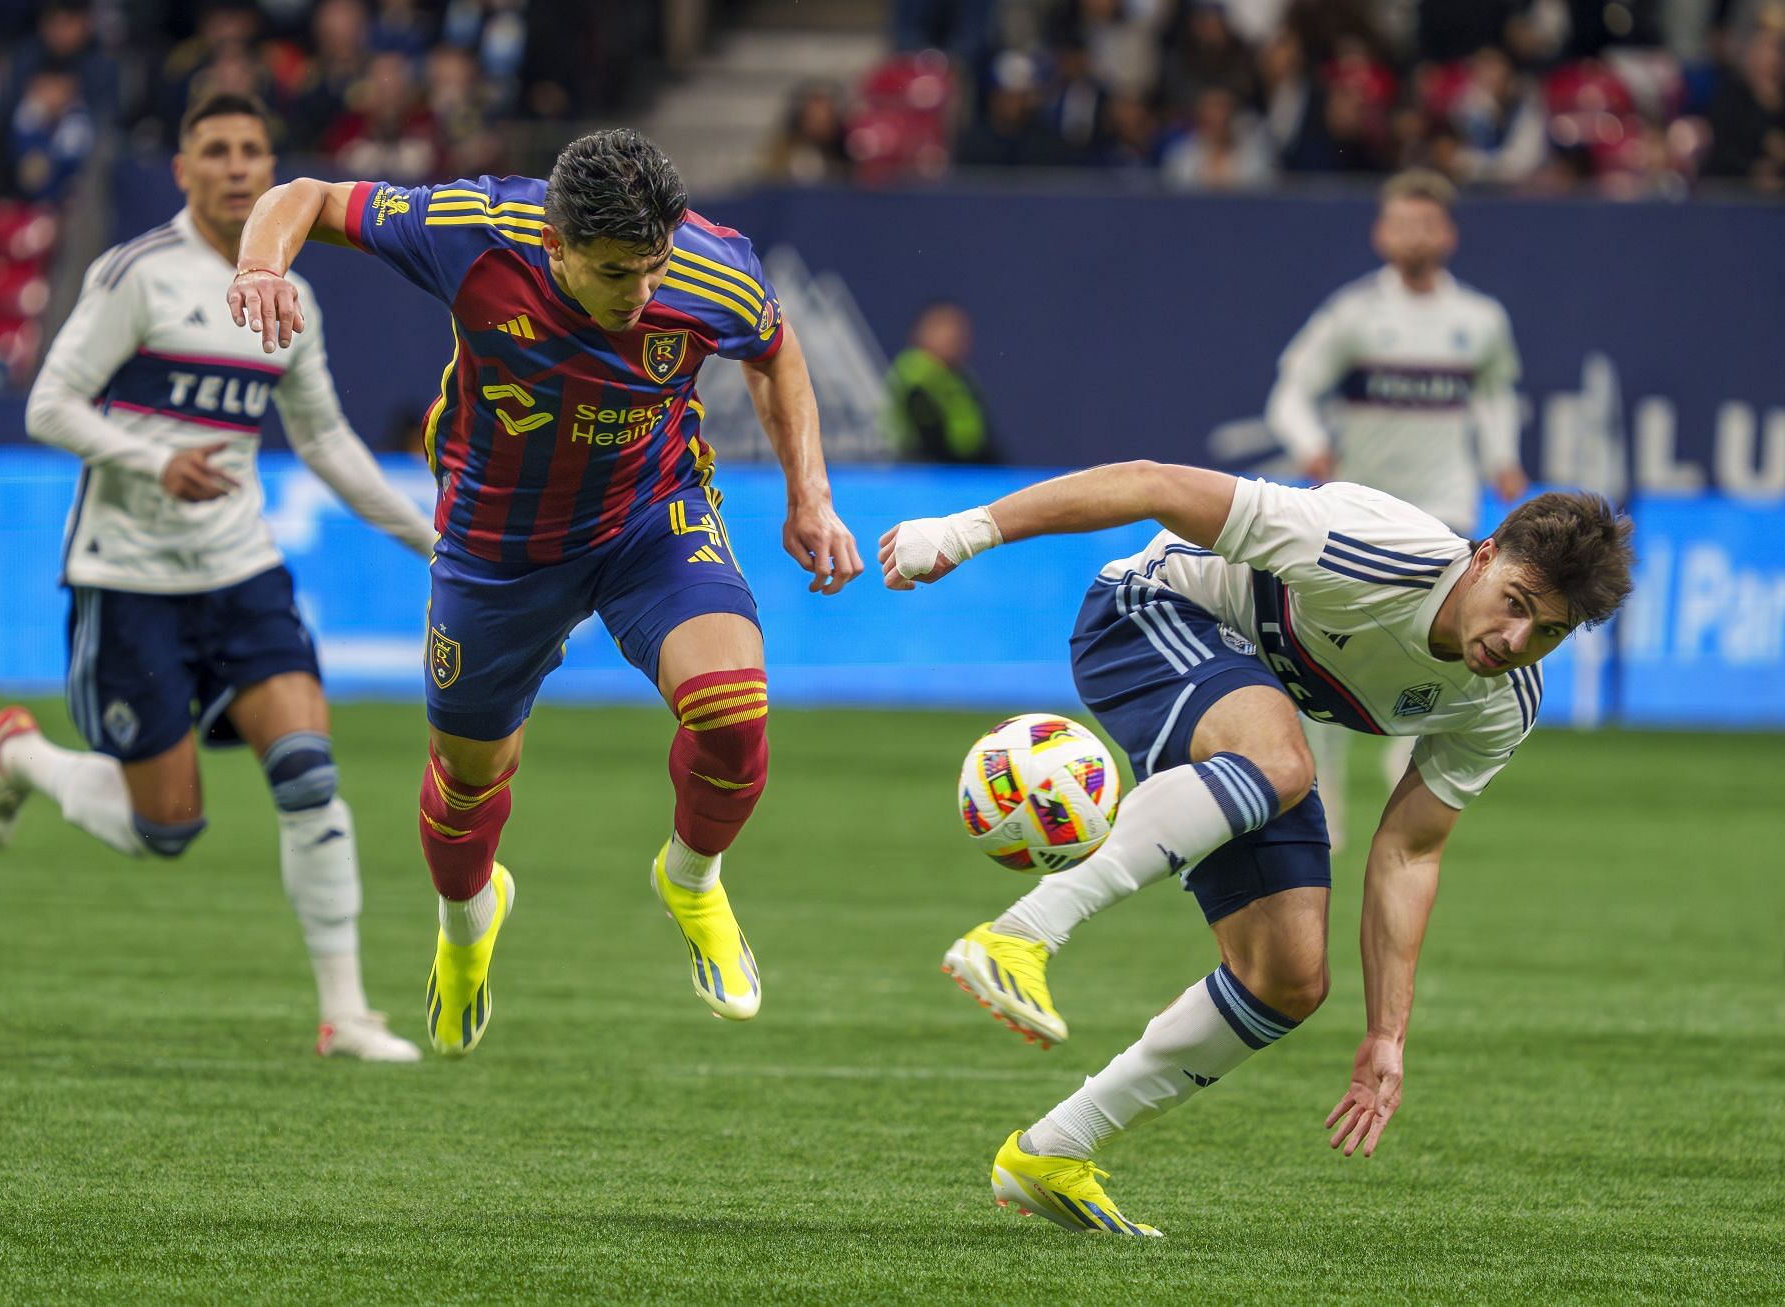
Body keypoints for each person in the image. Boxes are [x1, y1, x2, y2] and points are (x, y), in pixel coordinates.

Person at [226, 128, 863, 1057]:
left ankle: (691, 877)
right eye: (614, 273)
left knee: (732, 711)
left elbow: (775, 351)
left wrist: (811, 495)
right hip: (497, 548)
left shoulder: (708, 268)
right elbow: (309, 196)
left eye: (651, 266)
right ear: (555, 243)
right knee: (466, 786)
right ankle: (467, 926)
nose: (640, 294)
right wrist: (259, 265)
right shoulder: (473, 228)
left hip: (649, 519)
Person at [880, 459, 1632, 1236]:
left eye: (1548, 631)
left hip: (1250, 700)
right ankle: (1022, 933)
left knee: (1289, 976)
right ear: (1482, 558)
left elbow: (1410, 852)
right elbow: (1149, 483)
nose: (1515, 639)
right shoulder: (1364, 545)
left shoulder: (1504, 702)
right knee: (1282, 763)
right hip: (1146, 614)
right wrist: (963, 532)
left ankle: (1053, 1151)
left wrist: (1386, 1033)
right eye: (1514, 603)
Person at [0, 92, 437, 1063]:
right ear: (183, 172)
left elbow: (329, 444)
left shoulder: (290, 298)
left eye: (252, 151)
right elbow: (49, 406)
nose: (235, 166)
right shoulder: (136, 276)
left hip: (241, 568)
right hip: (128, 575)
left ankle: (346, 1012)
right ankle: (22, 757)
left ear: (272, 172)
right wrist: (150, 460)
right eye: (214, 151)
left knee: (308, 769)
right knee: (166, 826)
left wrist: (438, 542)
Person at [1265, 168, 1528, 841]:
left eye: (1427, 222)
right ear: (1382, 232)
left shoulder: (1480, 320)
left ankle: (1407, 768)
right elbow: (1291, 390)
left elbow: (1497, 392)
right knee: (1325, 650)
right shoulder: (1353, 315)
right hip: (1362, 520)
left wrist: (1502, 453)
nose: (1414, 234)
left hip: (1447, 514)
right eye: (1402, 221)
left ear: (1449, 233)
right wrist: (1309, 441)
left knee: (1440, 650)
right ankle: (1321, 800)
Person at [884, 300, 997, 465]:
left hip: (969, 473)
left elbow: (981, 437)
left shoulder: (961, 377)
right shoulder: (915, 379)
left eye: (957, 329)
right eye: (943, 328)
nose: (953, 336)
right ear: (922, 333)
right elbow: (929, 441)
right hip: (929, 475)